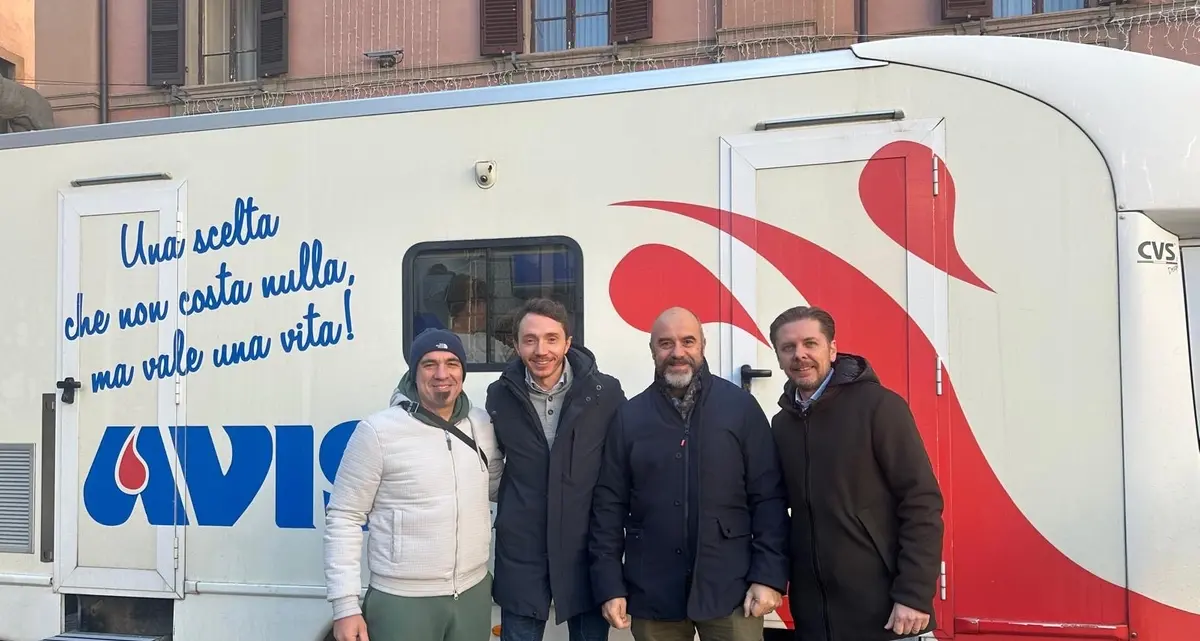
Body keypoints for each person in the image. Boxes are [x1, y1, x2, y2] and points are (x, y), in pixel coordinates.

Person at [589, 306, 790, 641]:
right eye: (665, 343)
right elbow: (608, 507)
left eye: (687, 341)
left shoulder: (740, 408)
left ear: (702, 346)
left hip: (731, 590)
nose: (677, 352)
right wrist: (609, 584)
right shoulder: (630, 417)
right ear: (652, 350)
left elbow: (768, 498)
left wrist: (768, 576)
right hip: (652, 591)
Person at [766, 305, 945, 641]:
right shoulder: (782, 425)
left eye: (810, 344)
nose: (800, 355)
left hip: (889, 613)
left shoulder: (879, 407)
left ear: (832, 350)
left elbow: (921, 502)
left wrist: (914, 594)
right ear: (777, 357)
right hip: (815, 617)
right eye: (788, 347)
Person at [323, 329, 504, 641]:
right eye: (429, 364)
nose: (442, 374)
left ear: (462, 371)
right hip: (402, 600)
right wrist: (345, 607)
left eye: (452, 363)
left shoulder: (482, 424)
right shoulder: (377, 432)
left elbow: (498, 488)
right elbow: (344, 517)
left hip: (473, 593)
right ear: (413, 371)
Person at [486, 297, 627, 641]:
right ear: (517, 345)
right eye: (530, 339)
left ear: (568, 342)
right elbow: (492, 464)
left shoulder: (604, 392)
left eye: (551, 338)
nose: (540, 350)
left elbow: (619, 465)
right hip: (522, 551)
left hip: (585, 548)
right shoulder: (499, 396)